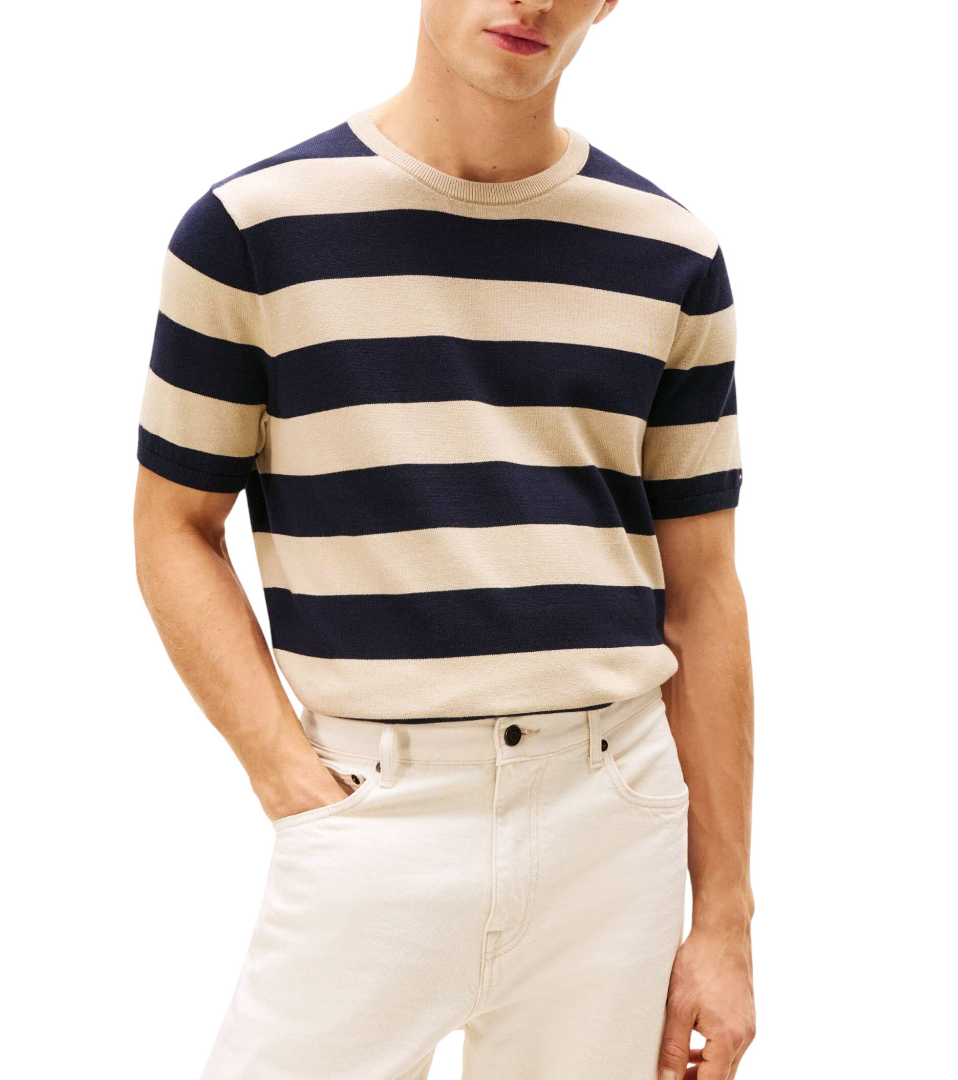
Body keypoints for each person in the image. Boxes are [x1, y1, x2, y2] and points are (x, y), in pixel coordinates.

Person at [132, 1, 756, 1077]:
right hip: (373, 811)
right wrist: (286, 773)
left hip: (612, 829)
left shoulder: (672, 255)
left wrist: (727, 920)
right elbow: (173, 527)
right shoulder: (251, 233)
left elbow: (703, 596)